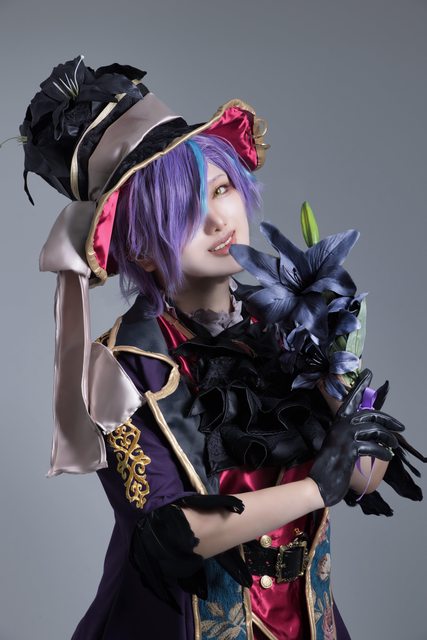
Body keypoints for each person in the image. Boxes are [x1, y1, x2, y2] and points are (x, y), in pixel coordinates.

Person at [21, 56, 424, 640]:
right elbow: (172, 533)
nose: (217, 219)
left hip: (309, 620)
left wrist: (341, 372)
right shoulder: (125, 367)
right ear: (141, 249)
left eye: (222, 188)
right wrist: (315, 488)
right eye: (183, 211)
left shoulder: (288, 326)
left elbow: (363, 478)